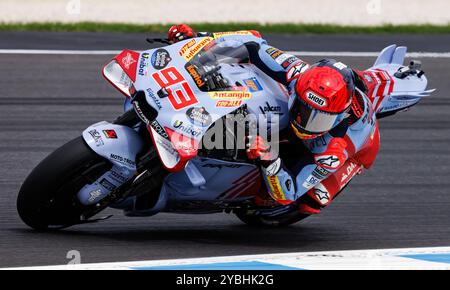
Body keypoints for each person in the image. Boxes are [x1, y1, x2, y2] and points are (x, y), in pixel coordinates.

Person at [167, 24, 380, 214]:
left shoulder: (334, 149)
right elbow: (252, 41)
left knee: (313, 200)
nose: (305, 123)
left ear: (338, 116)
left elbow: (289, 192)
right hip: (331, 88)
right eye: (302, 110)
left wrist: (270, 159)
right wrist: (197, 43)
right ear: (297, 91)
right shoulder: (297, 73)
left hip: (359, 147)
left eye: (319, 120)